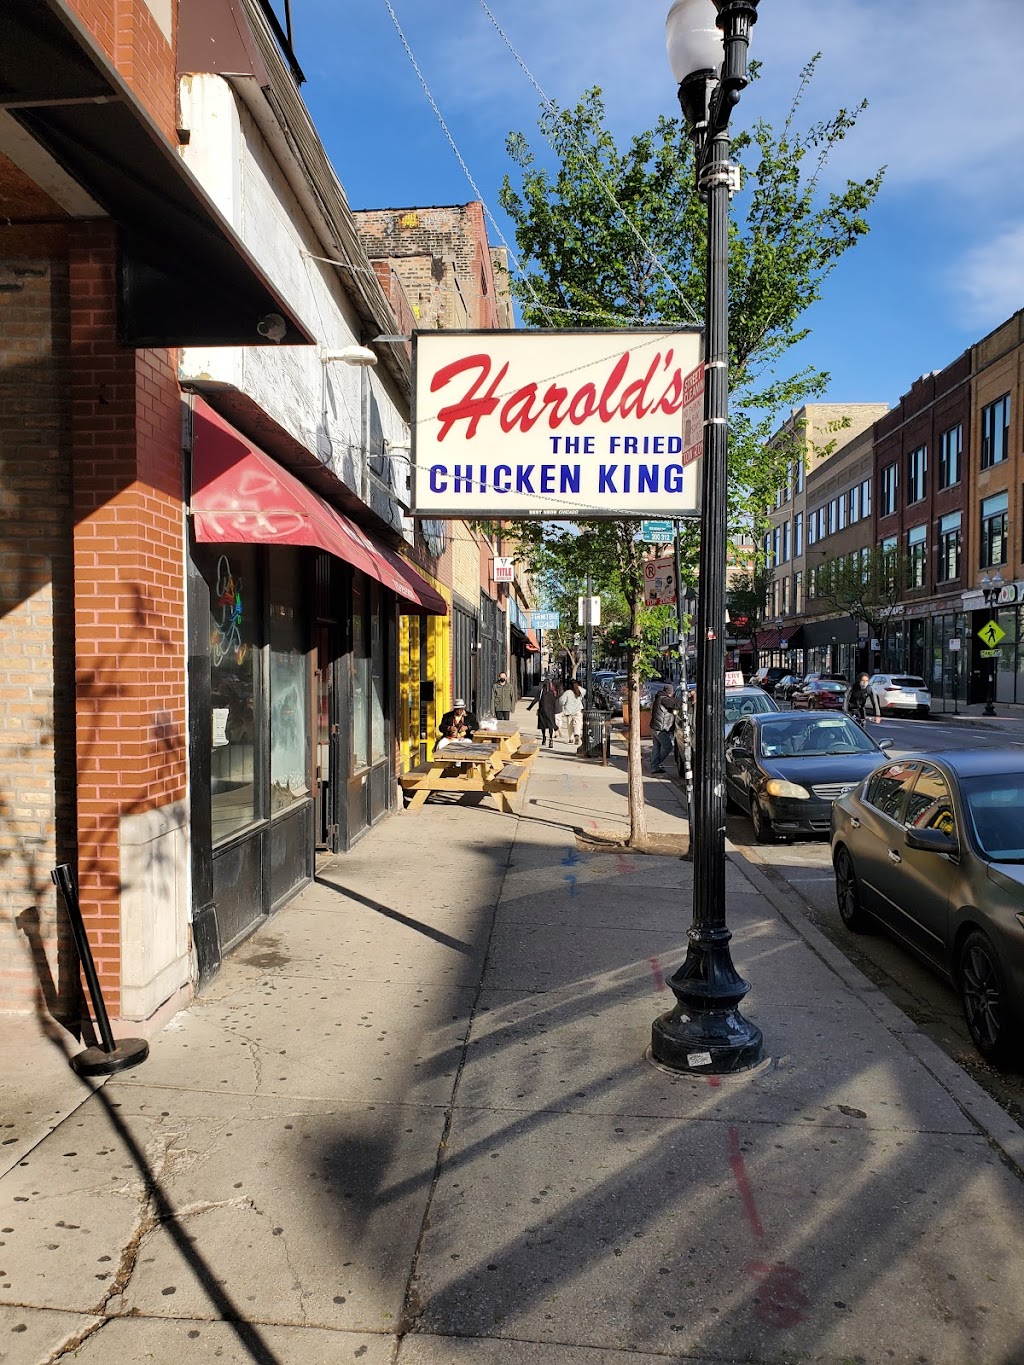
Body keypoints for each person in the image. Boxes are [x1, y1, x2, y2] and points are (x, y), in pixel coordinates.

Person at [649, 682, 679, 774]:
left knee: (656, 747)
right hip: (661, 728)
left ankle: (654, 767)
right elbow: (674, 705)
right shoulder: (664, 699)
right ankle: (656, 764)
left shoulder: (660, 697)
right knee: (667, 747)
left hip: (655, 727)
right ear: (670, 692)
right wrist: (686, 699)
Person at [527, 680, 560, 749]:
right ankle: (551, 739)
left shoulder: (541, 692)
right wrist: (556, 711)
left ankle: (544, 738)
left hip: (542, 711)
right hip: (551, 712)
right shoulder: (552, 692)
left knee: (543, 726)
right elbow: (555, 702)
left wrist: (530, 707)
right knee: (550, 725)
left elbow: (536, 699)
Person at [558, 678, 585, 746]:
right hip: (578, 710)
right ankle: (577, 734)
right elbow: (584, 691)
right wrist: (578, 687)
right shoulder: (579, 691)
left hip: (569, 711)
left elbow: (562, 701)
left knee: (569, 725)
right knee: (577, 724)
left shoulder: (568, 692)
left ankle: (571, 738)